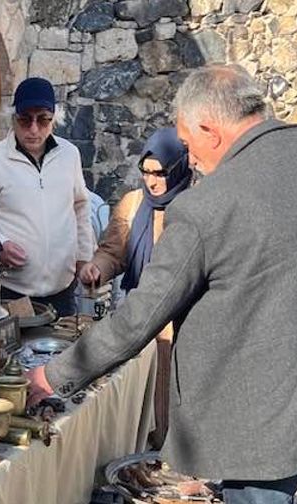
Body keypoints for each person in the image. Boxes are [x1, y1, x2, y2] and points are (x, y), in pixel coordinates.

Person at [29, 64, 297, 503]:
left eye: (187, 142)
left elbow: (141, 315)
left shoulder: (207, 208)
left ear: (209, 129)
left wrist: (53, 376)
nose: (189, 156)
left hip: (260, 426)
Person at [78, 127, 192, 448]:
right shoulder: (132, 204)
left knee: (176, 398)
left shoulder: (194, 206)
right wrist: (95, 269)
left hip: (183, 322)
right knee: (138, 400)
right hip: (139, 319)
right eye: (146, 172)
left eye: (160, 173)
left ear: (179, 166)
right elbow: (113, 251)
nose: (152, 181)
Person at [0, 77, 93, 316]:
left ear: (54, 119)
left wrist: (84, 258)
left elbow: (80, 207)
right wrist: (0, 245)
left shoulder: (69, 155)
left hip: (63, 290)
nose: (33, 129)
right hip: (11, 291)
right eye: (25, 120)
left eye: (43, 120)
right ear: (13, 118)